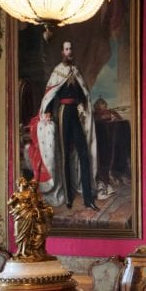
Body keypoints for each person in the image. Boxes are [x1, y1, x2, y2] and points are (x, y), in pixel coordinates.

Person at [35, 40, 99, 210]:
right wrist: (48, 111)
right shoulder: (58, 71)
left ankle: (88, 199)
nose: (69, 51)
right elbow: (50, 93)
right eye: (66, 49)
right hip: (63, 113)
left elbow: (83, 93)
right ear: (62, 52)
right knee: (64, 156)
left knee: (84, 154)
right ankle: (69, 197)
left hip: (76, 115)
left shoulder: (76, 71)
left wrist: (84, 104)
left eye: (71, 48)